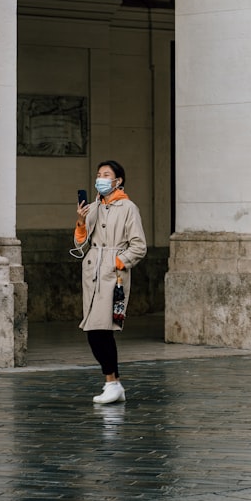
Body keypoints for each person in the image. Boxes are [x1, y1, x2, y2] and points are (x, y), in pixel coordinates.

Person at [73, 160, 147, 404]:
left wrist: (118, 261)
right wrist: (81, 222)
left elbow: (139, 246)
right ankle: (113, 383)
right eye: (98, 174)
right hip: (92, 273)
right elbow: (80, 244)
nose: (101, 178)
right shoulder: (93, 207)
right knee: (95, 331)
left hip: (113, 275)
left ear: (118, 180)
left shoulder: (128, 208)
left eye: (107, 174)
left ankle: (112, 383)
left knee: (102, 330)